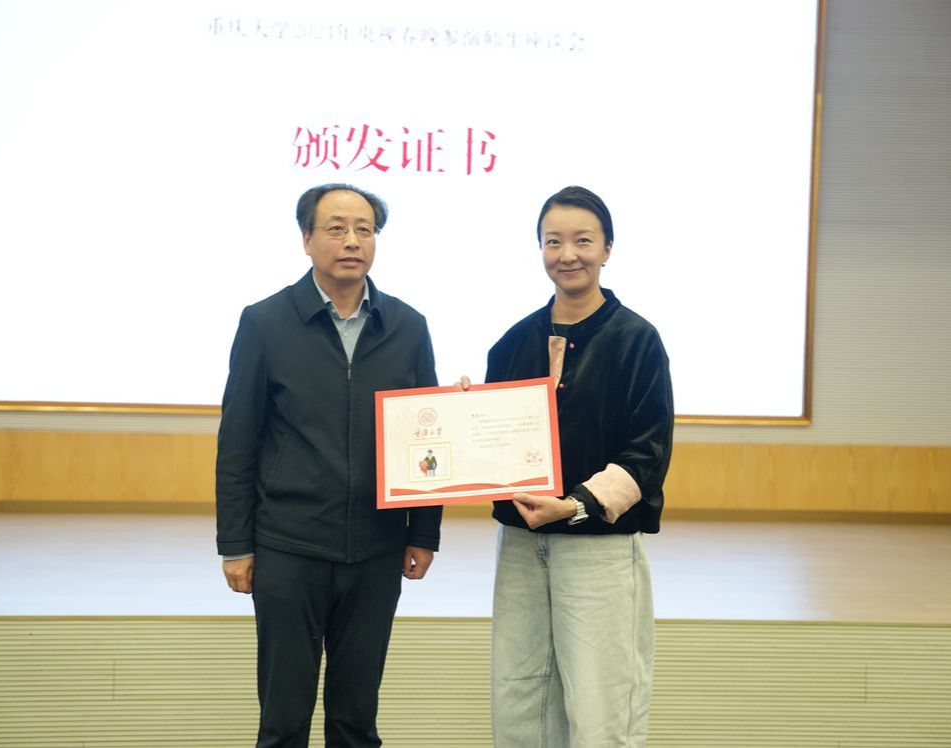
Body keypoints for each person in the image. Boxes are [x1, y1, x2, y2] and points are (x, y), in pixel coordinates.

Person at [216, 183, 442, 748]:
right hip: (289, 547)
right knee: (283, 721)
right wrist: (236, 544)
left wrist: (424, 532)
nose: (352, 241)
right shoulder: (265, 323)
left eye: (365, 229)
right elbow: (239, 441)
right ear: (306, 239)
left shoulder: (408, 326)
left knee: (356, 723)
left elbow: (427, 436)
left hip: (377, 548)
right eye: (336, 228)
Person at [484, 185, 674, 747]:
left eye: (583, 241)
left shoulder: (638, 341)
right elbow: (491, 441)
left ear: (607, 248)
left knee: (602, 705)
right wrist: (468, 417)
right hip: (522, 546)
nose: (567, 254)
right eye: (553, 241)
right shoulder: (511, 343)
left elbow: (647, 453)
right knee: (520, 697)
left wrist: (574, 505)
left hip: (599, 548)